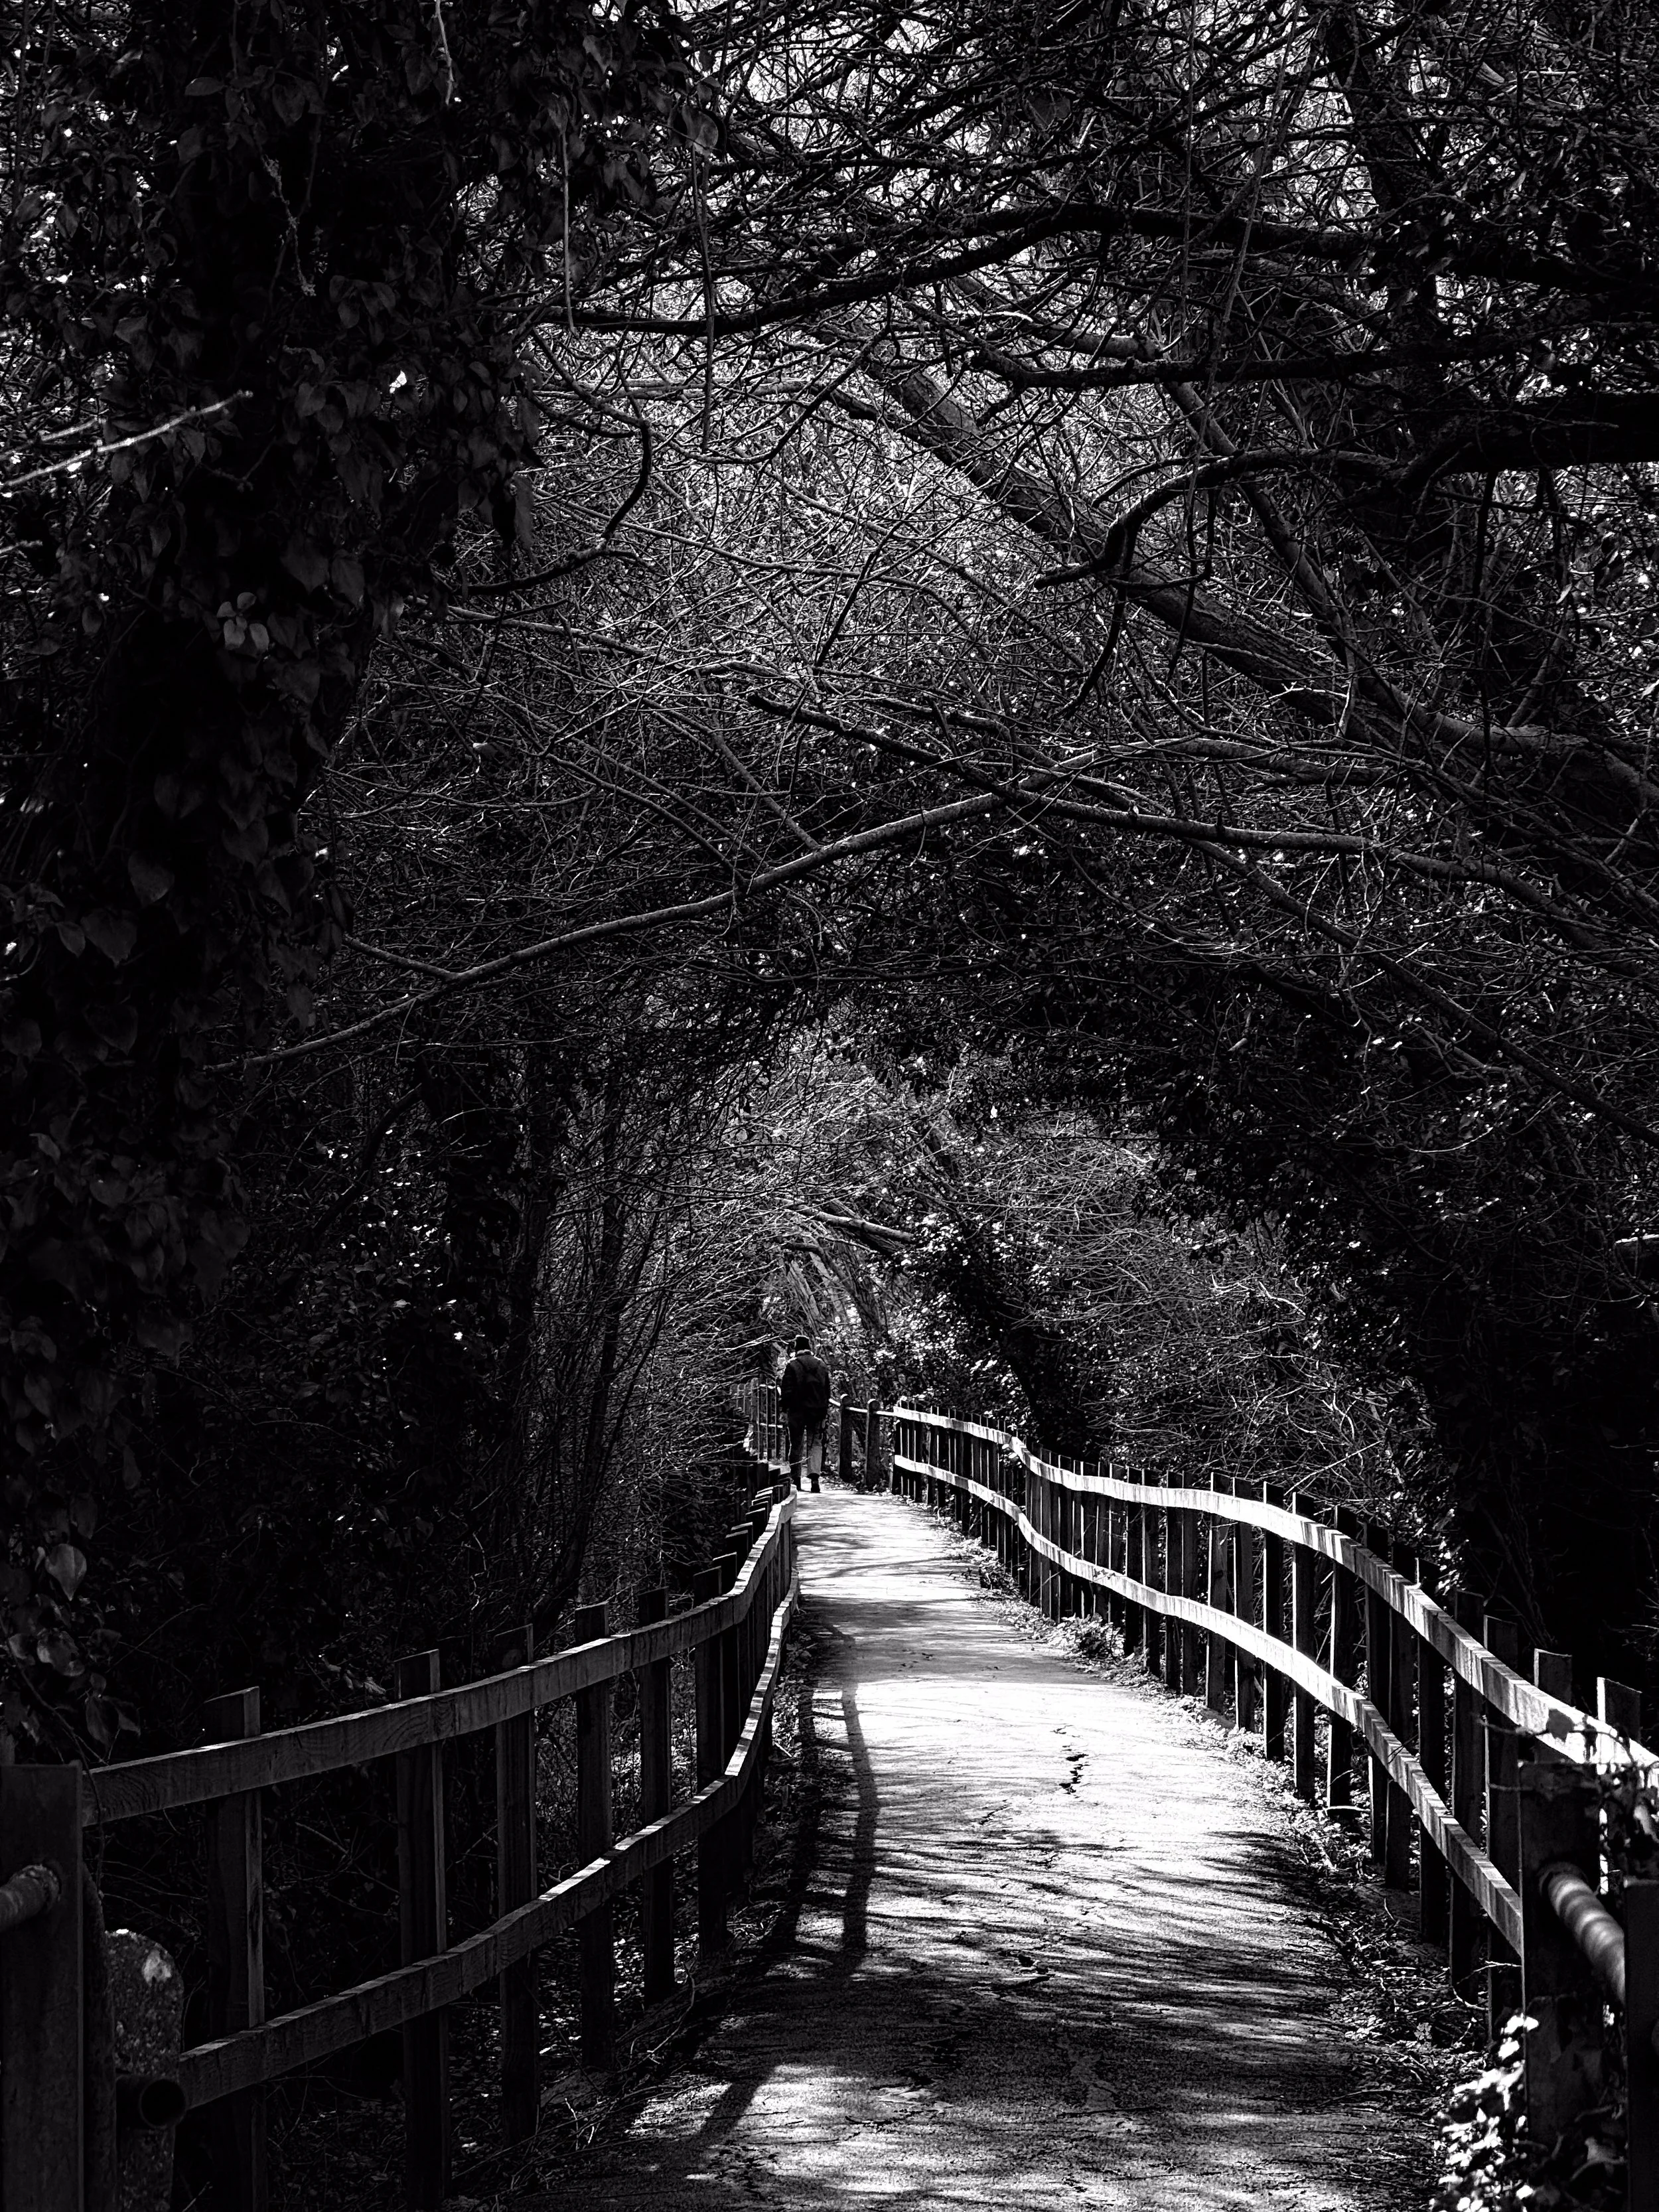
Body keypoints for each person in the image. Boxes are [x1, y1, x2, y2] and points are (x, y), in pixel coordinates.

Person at [778, 1333, 831, 1491]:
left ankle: (796, 1479)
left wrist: (783, 1410)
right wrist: (825, 1410)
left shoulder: (792, 1365)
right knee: (815, 1443)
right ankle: (815, 1478)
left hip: (797, 1411)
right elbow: (827, 1391)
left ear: (796, 1349)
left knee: (796, 1444)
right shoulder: (821, 1365)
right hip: (817, 1411)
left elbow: (786, 1391)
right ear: (810, 1348)